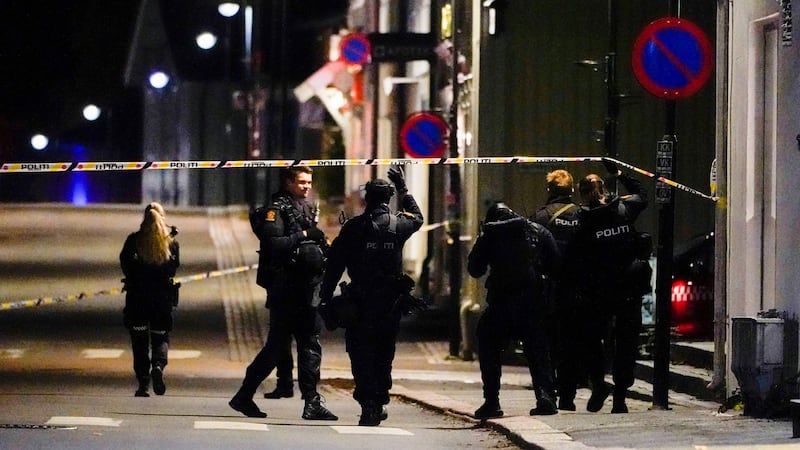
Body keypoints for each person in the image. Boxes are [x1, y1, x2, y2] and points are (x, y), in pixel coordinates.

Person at [318, 166, 424, 426]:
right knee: (384, 352)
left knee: (360, 351)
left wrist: (324, 296)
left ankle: (368, 402)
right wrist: (404, 189)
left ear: (366, 199)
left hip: (360, 301)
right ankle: (379, 398)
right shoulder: (399, 224)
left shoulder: (353, 228)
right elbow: (419, 218)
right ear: (389, 199)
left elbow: (335, 266)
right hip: (390, 302)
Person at [230, 166, 337, 421]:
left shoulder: (306, 208)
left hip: (307, 288)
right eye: (301, 182)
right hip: (285, 290)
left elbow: (311, 243)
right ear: (288, 182)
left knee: (310, 344)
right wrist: (303, 235)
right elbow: (272, 245)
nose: (306, 186)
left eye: (309, 182)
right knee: (276, 348)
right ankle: (244, 395)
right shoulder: (275, 210)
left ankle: (311, 401)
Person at [468, 201, 561, 419]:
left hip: (501, 304)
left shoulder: (490, 234)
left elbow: (474, 269)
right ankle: (545, 395)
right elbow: (556, 266)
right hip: (532, 303)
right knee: (538, 351)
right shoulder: (537, 231)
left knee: (488, 345)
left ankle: (491, 401)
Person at [573, 159, 649, 414]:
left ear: (582, 195)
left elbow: (574, 259)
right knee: (626, 343)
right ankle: (620, 396)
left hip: (599, 292)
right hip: (628, 288)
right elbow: (643, 194)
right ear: (604, 189)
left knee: (592, 341)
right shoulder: (624, 209)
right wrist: (620, 173)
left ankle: (598, 384)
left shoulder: (583, 221)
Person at [531, 169, 582, 411]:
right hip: (576, 289)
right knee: (571, 343)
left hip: (546, 290)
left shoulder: (540, 218)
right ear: (571, 190)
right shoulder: (583, 216)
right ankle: (568, 396)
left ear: (550, 190)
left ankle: (548, 394)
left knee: (546, 343)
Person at [120, 202, 180, 397]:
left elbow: (125, 264)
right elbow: (173, 268)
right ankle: (158, 366)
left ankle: (143, 384)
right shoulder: (170, 242)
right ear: (163, 217)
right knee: (160, 337)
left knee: (139, 342)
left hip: (137, 298)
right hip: (162, 298)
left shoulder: (134, 241)